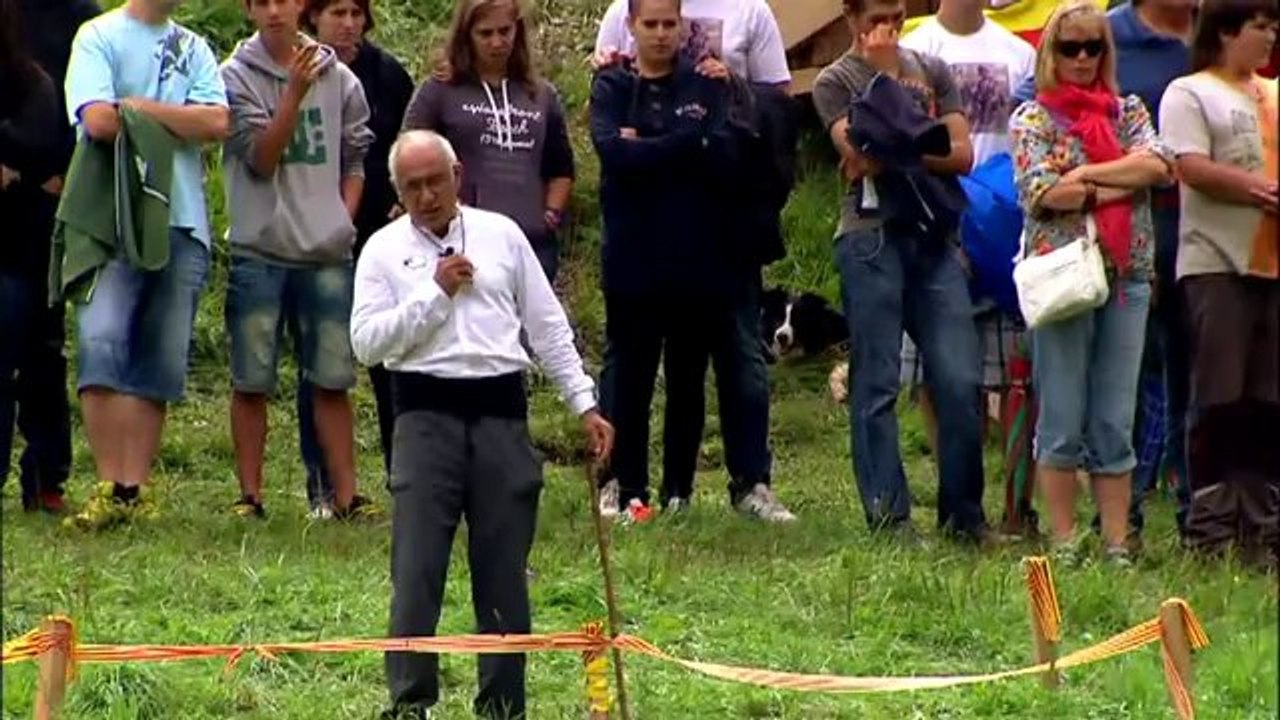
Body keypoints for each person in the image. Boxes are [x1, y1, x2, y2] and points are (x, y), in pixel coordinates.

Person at [352, 130, 613, 720]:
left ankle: (502, 705)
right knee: (417, 569)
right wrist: (434, 294)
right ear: (397, 191)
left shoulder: (503, 235)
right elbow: (366, 343)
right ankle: (410, 703)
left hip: (500, 414)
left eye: (434, 182)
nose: (426, 196)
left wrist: (584, 403)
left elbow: (546, 326)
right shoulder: (382, 251)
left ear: (457, 175)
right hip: (423, 418)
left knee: (503, 571)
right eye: (411, 187)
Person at [593, 0, 796, 521]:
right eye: (651, 24)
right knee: (629, 373)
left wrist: (650, 144)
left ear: (682, 26)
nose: (661, 33)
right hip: (632, 251)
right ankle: (624, 486)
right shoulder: (614, 83)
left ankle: (681, 490)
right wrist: (682, 143)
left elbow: (724, 150)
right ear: (632, 26)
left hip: (702, 250)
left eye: (670, 24)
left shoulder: (705, 78)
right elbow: (612, 151)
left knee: (691, 372)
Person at [813, 0, 991, 544]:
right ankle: (889, 518)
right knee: (877, 380)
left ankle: (964, 517)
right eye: (876, 17)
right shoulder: (835, 80)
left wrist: (897, 145)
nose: (888, 26)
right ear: (851, 18)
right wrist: (905, 121)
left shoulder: (932, 69)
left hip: (934, 235)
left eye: (895, 14)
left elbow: (962, 154)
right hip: (870, 233)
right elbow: (858, 150)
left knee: (959, 378)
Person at [1009, 0, 1173, 565]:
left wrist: (1084, 174)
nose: (1082, 58)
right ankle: (1062, 539)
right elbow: (1043, 192)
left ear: (1107, 53)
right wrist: (1118, 183)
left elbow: (1159, 165)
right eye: (1070, 47)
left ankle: (1116, 541)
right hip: (1064, 275)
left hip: (1128, 274)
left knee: (1114, 415)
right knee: (1061, 411)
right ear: (1050, 54)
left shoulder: (1128, 111)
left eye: (1093, 47)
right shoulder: (1032, 118)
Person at [62, 0, 229, 529]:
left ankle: (134, 489)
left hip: (182, 221)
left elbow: (217, 120)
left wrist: (136, 108)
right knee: (102, 340)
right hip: (110, 217)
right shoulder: (98, 36)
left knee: (158, 357)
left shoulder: (194, 47)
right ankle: (109, 485)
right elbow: (97, 120)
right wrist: (172, 121)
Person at [220, 0, 375, 519]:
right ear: (248, 10)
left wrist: (343, 219)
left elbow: (355, 155)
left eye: (283, 0)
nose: (274, 11)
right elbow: (262, 159)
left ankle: (347, 497)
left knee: (332, 378)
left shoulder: (340, 77)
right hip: (259, 247)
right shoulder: (234, 76)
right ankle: (250, 495)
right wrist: (293, 94)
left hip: (325, 250)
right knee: (251, 379)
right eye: (261, 2)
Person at [900, 0, 1038, 535]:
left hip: (1002, 225)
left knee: (1015, 374)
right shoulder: (915, 47)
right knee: (940, 375)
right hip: (935, 220)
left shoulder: (1019, 54)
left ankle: (1017, 507)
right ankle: (957, 491)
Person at [1158, 0, 1278, 568]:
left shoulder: (1274, 93)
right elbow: (1189, 166)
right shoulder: (1191, 92)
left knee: (1267, 399)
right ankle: (1210, 527)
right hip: (1216, 263)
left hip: (1273, 266)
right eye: (1261, 25)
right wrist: (1259, 191)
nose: (1271, 36)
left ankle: (1262, 526)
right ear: (1228, 31)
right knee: (1220, 396)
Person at [300, 0, 414, 516]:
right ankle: (325, 488)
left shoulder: (388, 75)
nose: (348, 24)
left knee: (391, 361)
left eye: (356, 12)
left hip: (381, 234)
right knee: (323, 361)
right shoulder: (298, 69)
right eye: (337, 12)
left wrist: (404, 199)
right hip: (316, 235)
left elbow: (410, 141)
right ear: (312, 17)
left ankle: (403, 478)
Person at [402, 0, 574, 284]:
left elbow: (561, 167)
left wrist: (551, 215)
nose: (497, 42)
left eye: (504, 31)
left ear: (517, 30)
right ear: (467, 34)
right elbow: (408, 157)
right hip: (465, 242)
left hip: (531, 243)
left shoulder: (541, 94)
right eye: (485, 33)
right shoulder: (440, 91)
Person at [0, 0, 73, 515]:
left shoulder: (32, 78)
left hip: (33, 228)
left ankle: (46, 478)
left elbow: (42, 136)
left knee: (42, 356)